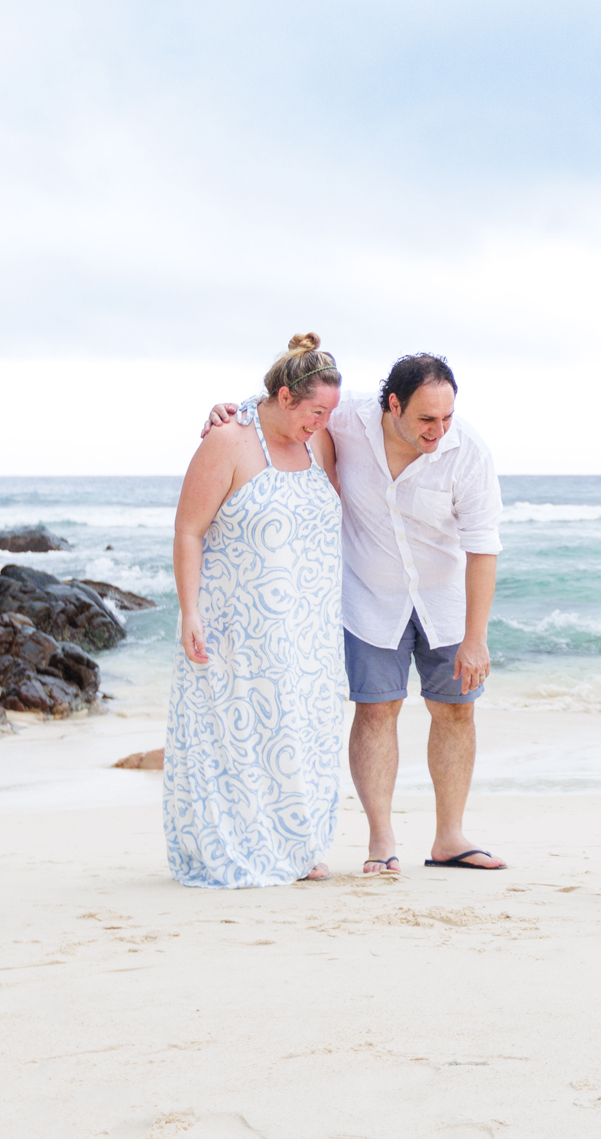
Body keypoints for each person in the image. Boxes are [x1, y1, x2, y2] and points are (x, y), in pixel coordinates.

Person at [211, 353, 506, 874]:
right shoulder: (346, 419)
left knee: (457, 710)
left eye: (447, 418)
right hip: (369, 597)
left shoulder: (468, 452)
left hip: (445, 602)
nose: (439, 430)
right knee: (375, 710)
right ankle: (381, 839)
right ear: (392, 404)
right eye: (426, 419)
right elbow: (287, 403)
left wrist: (475, 636)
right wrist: (233, 411)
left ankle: (449, 837)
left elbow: (483, 546)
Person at [164, 334, 346, 889]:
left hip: (310, 625)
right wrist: (188, 610)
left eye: (329, 414)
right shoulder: (227, 442)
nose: (321, 423)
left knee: (304, 732)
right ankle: (244, 847)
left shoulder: (322, 442)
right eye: (314, 411)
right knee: (239, 736)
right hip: (239, 624)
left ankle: (300, 845)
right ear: (286, 398)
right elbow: (188, 531)